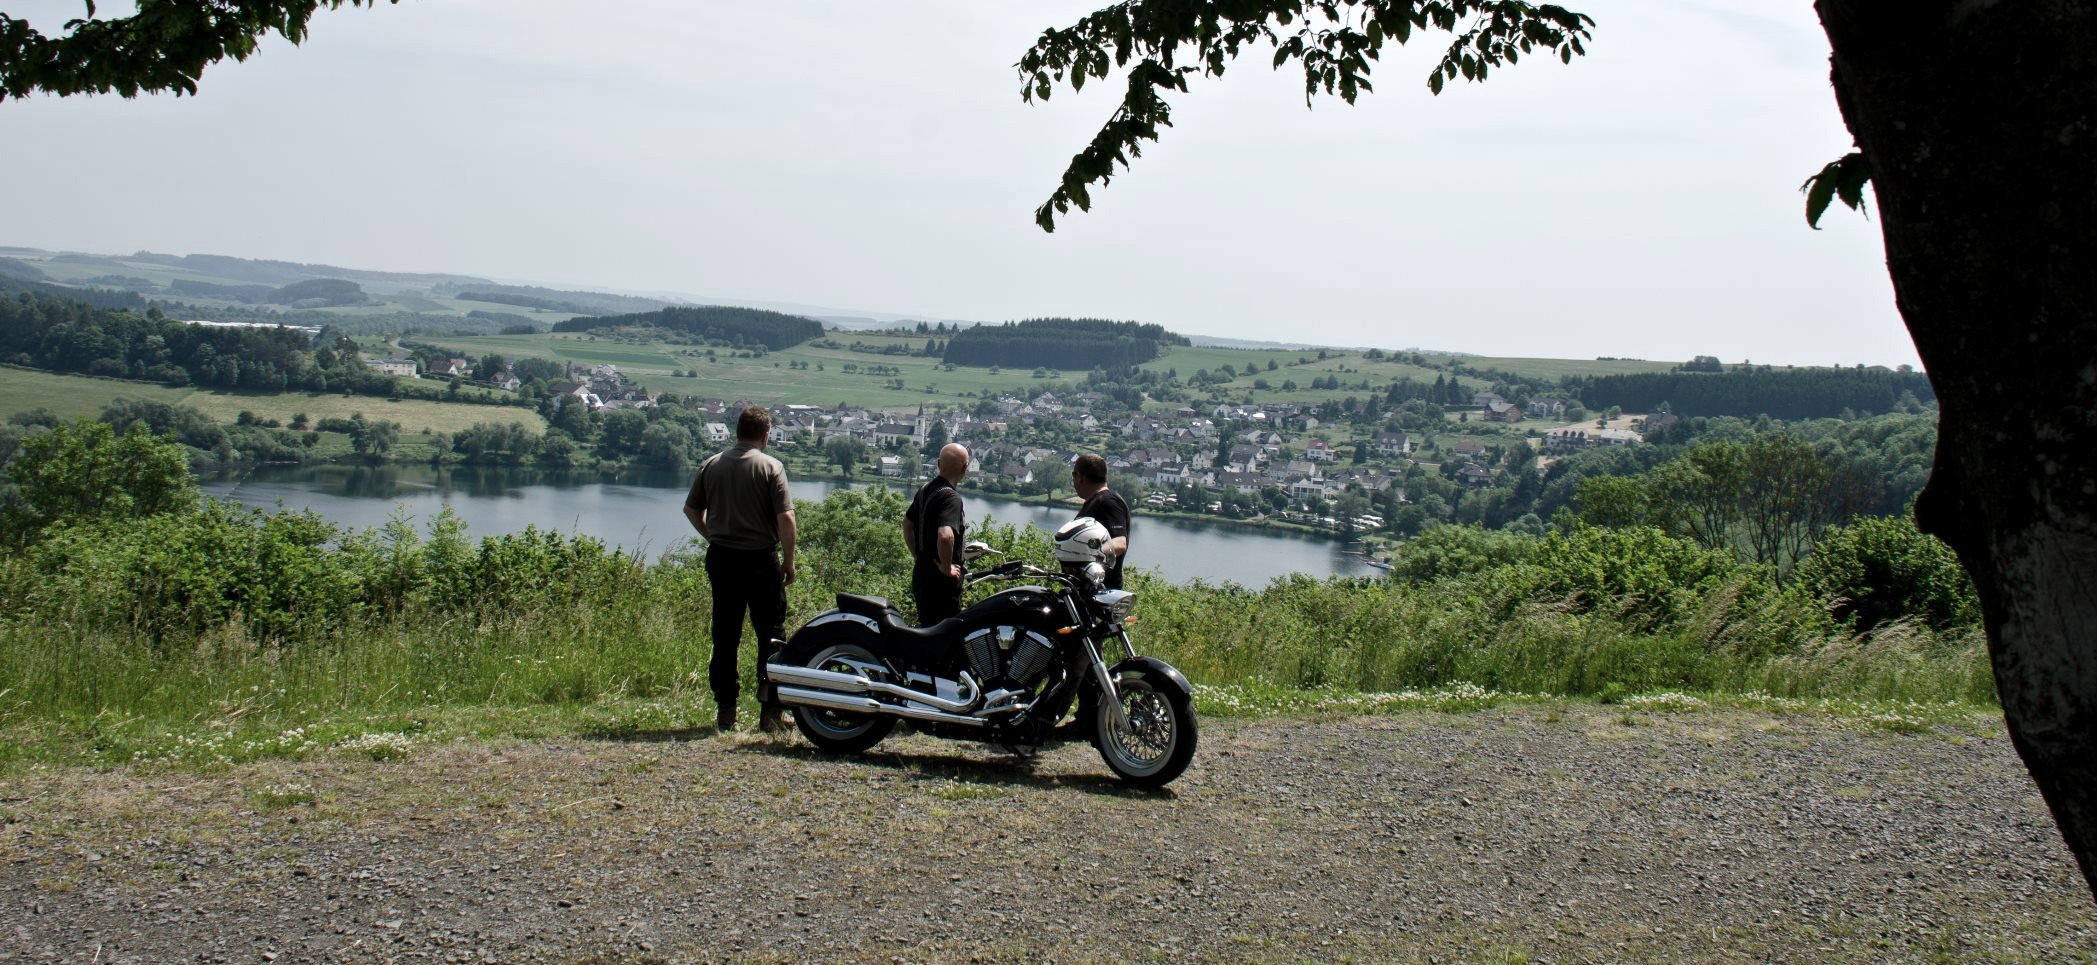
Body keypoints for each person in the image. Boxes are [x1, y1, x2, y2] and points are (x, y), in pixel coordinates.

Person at [684, 407, 796, 734]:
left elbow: (691, 509)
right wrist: (788, 560)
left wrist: (713, 535)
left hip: (722, 558)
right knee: (772, 636)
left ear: (737, 431)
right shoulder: (771, 467)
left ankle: (726, 710)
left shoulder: (712, 464)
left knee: (725, 634)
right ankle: (771, 712)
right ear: (765, 434)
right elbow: (786, 519)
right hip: (760, 560)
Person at [904, 443, 970, 625]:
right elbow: (945, 535)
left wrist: (917, 555)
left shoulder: (925, 490)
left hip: (921, 574)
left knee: (928, 631)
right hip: (941, 584)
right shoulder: (951, 498)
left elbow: (907, 524)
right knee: (946, 638)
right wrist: (947, 567)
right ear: (965, 468)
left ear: (939, 464)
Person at [1072, 454, 1131, 589]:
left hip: (1101, 593)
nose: (1074, 482)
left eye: (1073, 477)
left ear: (1080, 477)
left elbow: (1120, 543)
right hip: (1086, 591)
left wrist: (1086, 555)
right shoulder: (1095, 502)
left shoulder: (1108, 501)